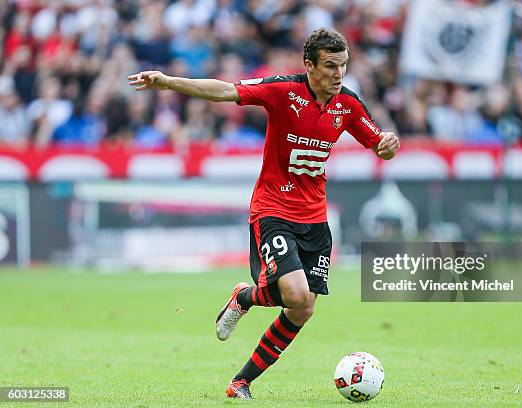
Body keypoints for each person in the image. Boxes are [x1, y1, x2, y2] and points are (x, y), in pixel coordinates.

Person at [128, 28, 400, 400]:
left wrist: (388, 145)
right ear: (309, 65)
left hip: (315, 219)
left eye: (344, 66)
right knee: (294, 293)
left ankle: (241, 375)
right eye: (332, 66)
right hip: (273, 209)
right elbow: (225, 90)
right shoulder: (284, 91)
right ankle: (245, 300)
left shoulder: (348, 105)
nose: (340, 74)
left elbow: (380, 147)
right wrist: (169, 82)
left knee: (302, 308)